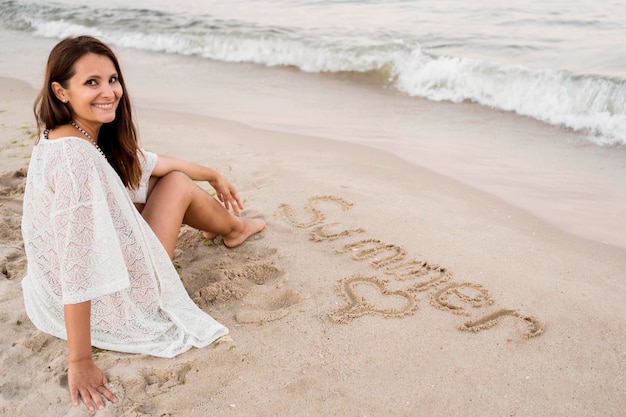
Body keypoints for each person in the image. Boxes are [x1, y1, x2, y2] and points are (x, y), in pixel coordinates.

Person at [21, 35, 265, 412]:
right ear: (61, 91)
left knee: (157, 181)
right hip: (115, 300)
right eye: (91, 82)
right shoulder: (76, 161)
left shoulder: (64, 135)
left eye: (112, 79)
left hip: (55, 291)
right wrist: (80, 360)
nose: (109, 92)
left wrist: (213, 174)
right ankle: (234, 229)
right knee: (177, 185)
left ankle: (225, 224)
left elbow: (142, 163)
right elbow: (76, 263)